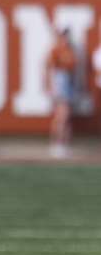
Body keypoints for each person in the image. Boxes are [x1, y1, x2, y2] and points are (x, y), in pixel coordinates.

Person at [48, 28, 77, 158]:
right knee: (62, 114)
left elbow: (73, 69)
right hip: (60, 81)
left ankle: (64, 144)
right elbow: (51, 69)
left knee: (67, 115)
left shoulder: (70, 51)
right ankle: (57, 143)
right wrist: (51, 86)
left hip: (69, 82)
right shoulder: (56, 50)